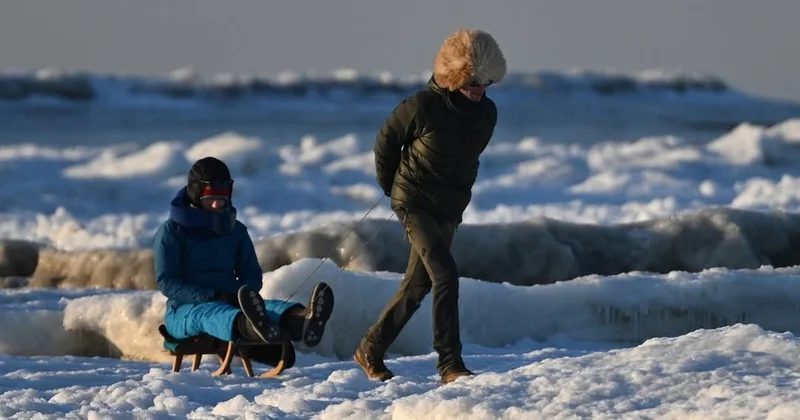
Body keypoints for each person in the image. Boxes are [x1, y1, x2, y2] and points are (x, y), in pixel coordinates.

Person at [354, 28, 506, 384]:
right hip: (414, 203)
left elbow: (469, 157)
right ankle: (450, 364)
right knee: (445, 274)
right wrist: (394, 192)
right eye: (472, 81)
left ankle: (370, 348)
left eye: (485, 81)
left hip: (449, 208)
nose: (479, 87)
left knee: (418, 285)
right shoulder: (423, 105)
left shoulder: (488, 114)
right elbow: (385, 146)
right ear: (454, 78)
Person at [153, 156, 335, 353]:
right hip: (185, 311)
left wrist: (239, 293)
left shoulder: (235, 230)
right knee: (213, 314)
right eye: (210, 199)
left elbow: (251, 273)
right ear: (196, 196)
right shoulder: (171, 232)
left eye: (221, 199)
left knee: (269, 307)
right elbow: (167, 281)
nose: (217, 205)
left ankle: (303, 321)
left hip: (232, 301)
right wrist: (212, 295)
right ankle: (252, 327)